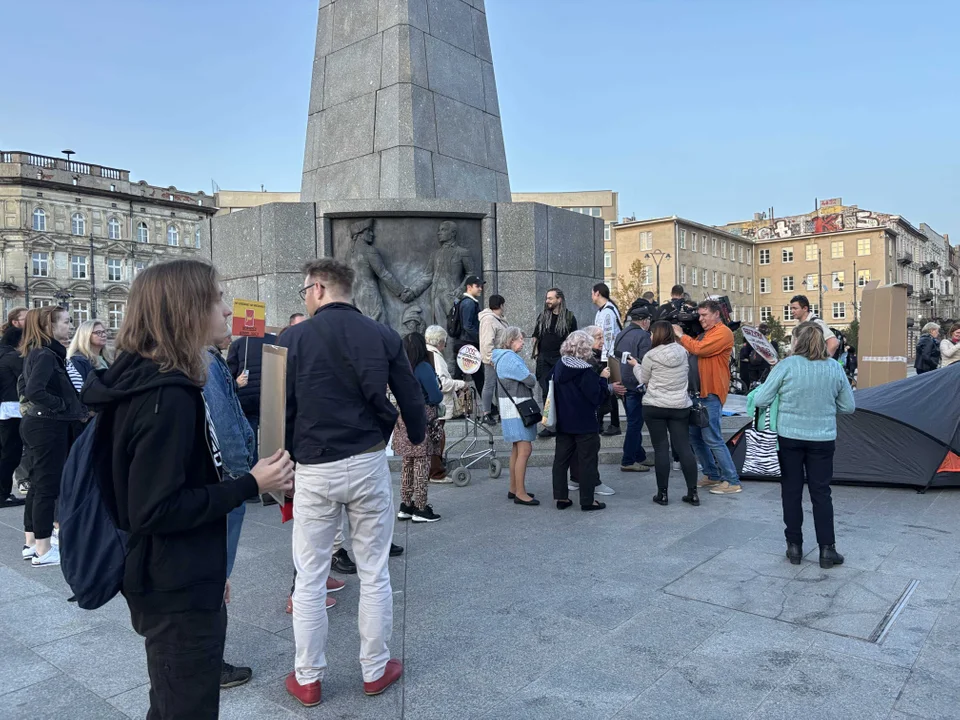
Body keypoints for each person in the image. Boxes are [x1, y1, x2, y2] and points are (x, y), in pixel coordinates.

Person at [82, 259, 294, 719]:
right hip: (174, 585)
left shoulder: (144, 379)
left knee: (171, 699)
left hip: (172, 574)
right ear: (188, 309)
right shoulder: (168, 397)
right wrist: (251, 483)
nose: (225, 308)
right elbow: (155, 508)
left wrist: (212, 568)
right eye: (217, 298)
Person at [279, 258, 426, 706]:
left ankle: (308, 678)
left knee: (310, 576)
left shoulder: (293, 337)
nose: (304, 296)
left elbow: (279, 407)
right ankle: (375, 669)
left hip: (314, 467)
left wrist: (280, 461)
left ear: (320, 288)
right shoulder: (382, 335)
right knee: (374, 571)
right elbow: (409, 396)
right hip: (365, 462)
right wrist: (416, 435)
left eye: (305, 288)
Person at [753, 321, 855, 569]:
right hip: (823, 438)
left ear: (796, 341)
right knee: (821, 492)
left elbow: (761, 398)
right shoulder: (834, 367)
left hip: (790, 437)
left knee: (791, 490)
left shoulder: (786, 366)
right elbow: (848, 406)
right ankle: (827, 550)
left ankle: (794, 546)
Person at [204, 334, 259, 690]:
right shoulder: (207, 363)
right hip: (226, 481)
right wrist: (244, 476)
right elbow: (225, 424)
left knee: (213, 574)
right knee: (215, 574)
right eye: (218, 301)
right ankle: (210, 662)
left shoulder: (207, 359)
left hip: (220, 481)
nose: (227, 310)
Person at [19, 306, 85, 567]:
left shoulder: (37, 352)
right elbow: (33, 389)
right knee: (46, 486)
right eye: (67, 322)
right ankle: (44, 549)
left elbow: (24, 387)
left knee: (38, 484)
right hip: (47, 425)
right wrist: (63, 406)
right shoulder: (47, 354)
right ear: (49, 325)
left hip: (38, 423)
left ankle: (32, 542)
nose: (70, 326)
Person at [674, 300, 742, 495]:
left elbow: (700, 349)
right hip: (697, 392)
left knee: (713, 437)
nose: (701, 319)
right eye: (700, 315)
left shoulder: (723, 332)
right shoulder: (705, 333)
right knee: (695, 437)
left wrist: (681, 334)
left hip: (710, 393)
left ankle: (732, 480)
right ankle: (712, 474)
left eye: (704, 315)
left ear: (716, 315)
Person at [629, 321, 700, 506]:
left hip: (655, 406)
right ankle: (692, 493)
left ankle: (662, 494)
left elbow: (644, 380)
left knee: (661, 449)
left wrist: (635, 365)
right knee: (684, 448)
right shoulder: (683, 352)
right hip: (680, 406)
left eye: (652, 334)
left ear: (658, 334)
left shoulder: (650, 356)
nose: (650, 337)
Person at [551, 330, 609, 512]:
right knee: (587, 461)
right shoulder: (586, 372)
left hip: (563, 421)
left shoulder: (559, 366)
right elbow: (596, 397)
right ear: (585, 349)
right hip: (585, 424)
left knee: (560, 460)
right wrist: (602, 381)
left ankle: (561, 497)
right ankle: (587, 500)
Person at [394, 332, 443, 523]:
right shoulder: (423, 367)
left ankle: (405, 505)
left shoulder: (400, 368)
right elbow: (436, 396)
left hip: (402, 417)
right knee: (422, 463)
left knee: (407, 463)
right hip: (422, 417)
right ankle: (421, 508)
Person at [227, 330, 278, 505]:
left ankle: (255, 486)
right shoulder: (275, 340)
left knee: (251, 438)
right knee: (274, 437)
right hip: (272, 395)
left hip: (247, 398)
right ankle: (276, 486)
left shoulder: (239, 343)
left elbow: (230, 373)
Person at [492, 327, 538, 506]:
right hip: (517, 410)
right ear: (510, 340)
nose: (523, 342)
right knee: (525, 450)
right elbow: (529, 380)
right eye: (520, 339)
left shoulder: (500, 357)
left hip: (510, 409)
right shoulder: (509, 358)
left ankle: (514, 488)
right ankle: (520, 492)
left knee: (517, 450)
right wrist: (532, 376)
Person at [532, 288, 577, 438]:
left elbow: (574, 340)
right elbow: (535, 336)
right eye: (547, 298)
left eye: (550, 298)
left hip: (561, 359)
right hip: (544, 359)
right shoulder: (543, 316)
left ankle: (562, 423)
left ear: (559, 299)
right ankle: (549, 425)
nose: (547, 301)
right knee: (546, 392)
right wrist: (536, 352)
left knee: (561, 392)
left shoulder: (569, 317)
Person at [614, 305, 653, 473]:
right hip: (636, 384)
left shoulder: (621, 333)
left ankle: (640, 456)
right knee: (635, 424)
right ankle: (628, 460)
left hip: (622, 381)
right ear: (645, 321)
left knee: (633, 421)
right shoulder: (644, 336)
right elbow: (646, 361)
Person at [425, 325, 465, 483]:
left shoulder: (425, 353)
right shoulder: (435, 356)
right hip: (438, 404)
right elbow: (442, 383)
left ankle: (433, 468)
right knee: (437, 436)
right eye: (444, 341)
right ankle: (436, 472)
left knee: (435, 436)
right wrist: (460, 384)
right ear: (439, 341)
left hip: (431, 403)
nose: (445, 345)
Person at [0, 309, 25, 508]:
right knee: (11, 453)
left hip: (4, 408)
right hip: (12, 408)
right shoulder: (13, 358)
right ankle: (3, 493)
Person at [592, 283, 622, 436]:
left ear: (597, 293)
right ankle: (601, 422)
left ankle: (614, 424)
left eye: (592, 293)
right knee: (605, 389)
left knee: (610, 389)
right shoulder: (602, 311)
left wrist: (604, 357)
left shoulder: (608, 312)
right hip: (603, 355)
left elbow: (609, 337)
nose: (591, 296)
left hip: (607, 356)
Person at [478, 294, 508, 425]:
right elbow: (487, 341)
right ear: (501, 304)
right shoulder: (489, 320)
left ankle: (501, 413)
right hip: (493, 358)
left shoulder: (497, 319)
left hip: (500, 357)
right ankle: (486, 413)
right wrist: (490, 358)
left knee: (499, 386)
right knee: (489, 385)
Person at [451, 275, 484, 391]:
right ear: (469, 287)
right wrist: (480, 339)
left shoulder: (467, 302)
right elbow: (467, 325)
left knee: (462, 376)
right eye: (477, 286)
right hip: (468, 344)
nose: (480, 288)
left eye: (481, 286)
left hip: (465, 343)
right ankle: (489, 407)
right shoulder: (469, 303)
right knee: (478, 378)